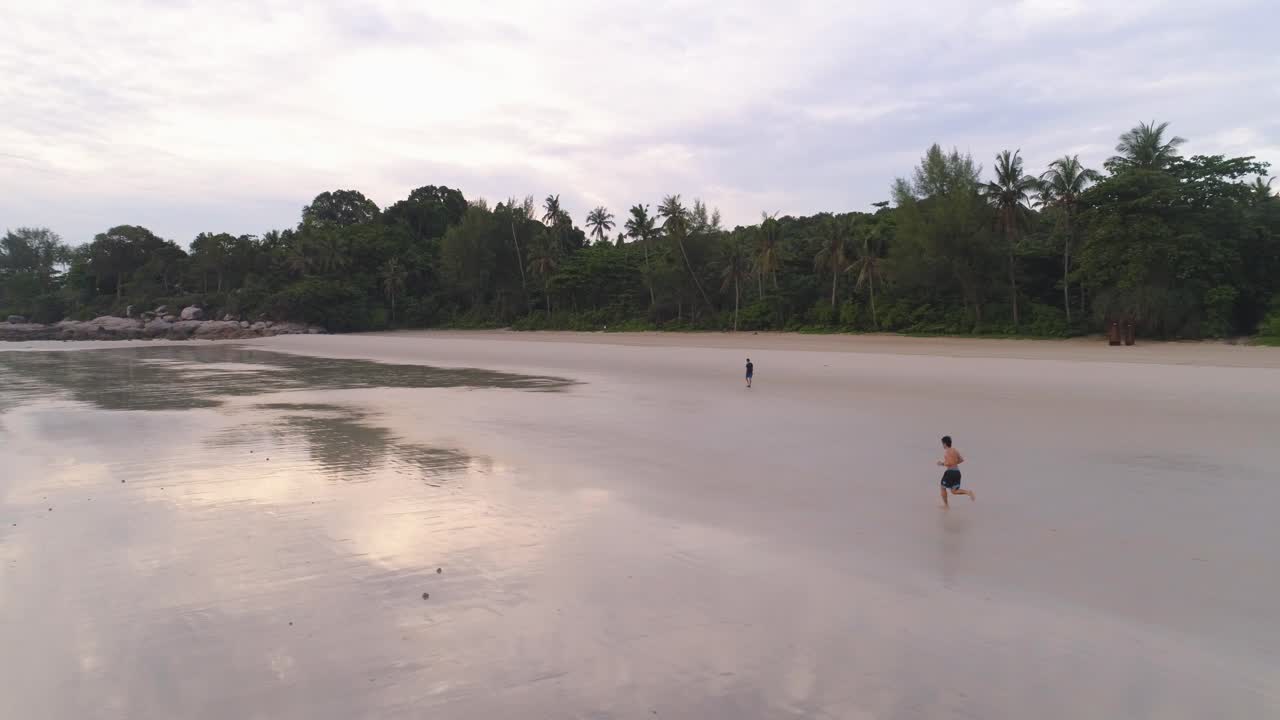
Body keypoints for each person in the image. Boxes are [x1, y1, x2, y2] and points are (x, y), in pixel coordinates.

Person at [936, 435, 975, 508]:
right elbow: (961, 460)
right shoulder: (955, 450)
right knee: (954, 491)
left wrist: (942, 463)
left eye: (942, 444)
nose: (942, 445)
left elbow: (949, 462)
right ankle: (968, 492)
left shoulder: (947, 452)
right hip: (957, 472)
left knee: (942, 487)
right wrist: (953, 463)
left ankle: (946, 505)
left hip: (950, 472)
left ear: (944, 443)